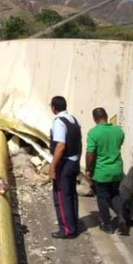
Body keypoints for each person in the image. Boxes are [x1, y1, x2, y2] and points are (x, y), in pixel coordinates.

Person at [86, 107, 128, 235]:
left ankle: (107, 224)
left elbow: (90, 153)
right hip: (117, 169)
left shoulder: (93, 133)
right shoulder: (119, 131)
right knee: (115, 194)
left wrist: (88, 169)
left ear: (94, 118)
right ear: (106, 115)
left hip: (102, 171)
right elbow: (117, 146)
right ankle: (121, 216)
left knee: (102, 198)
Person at [49, 96, 82, 239]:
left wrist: (52, 167)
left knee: (61, 196)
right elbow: (79, 142)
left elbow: (60, 146)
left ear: (54, 108)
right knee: (71, 195)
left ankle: (67, 229)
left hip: (65, 163)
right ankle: (73, 224)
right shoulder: (73, 119)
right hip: (74, 161)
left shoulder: (59, 122)